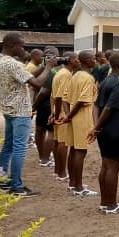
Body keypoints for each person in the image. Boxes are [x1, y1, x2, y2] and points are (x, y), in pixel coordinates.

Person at [0, 32, 57, 196]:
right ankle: (17, 185)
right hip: (20, 111)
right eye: (21, 45)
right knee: (19, 148)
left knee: (8, 146)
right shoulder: (13, 64)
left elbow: (29, 77)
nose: (24, 49)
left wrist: (44, 65)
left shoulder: (1, 62)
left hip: (9, 111)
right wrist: (49, 67)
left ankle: (2, 180)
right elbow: (36, 83)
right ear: (11, 45)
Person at [89, 52, 119, 214]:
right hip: (114, 130)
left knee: (106, 165)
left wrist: (97, 126)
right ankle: (112, 205)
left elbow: (96, 106)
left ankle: (104, 202)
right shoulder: (117, 84)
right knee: (113, 166)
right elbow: (108, 108)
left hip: (105, 130)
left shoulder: (106, 81)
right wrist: (96, 127)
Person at [61, 50, 98, 197]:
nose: (95, 61)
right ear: (88, 61)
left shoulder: (75, 76)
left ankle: (72, 183)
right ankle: (79, 187)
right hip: (82, 118)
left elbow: (65, 97)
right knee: (80, 152)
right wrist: (69, 115)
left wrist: (68, 115)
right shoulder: (88, 78)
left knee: (73, 150)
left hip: (73, 118)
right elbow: (83, 101)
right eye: (93, 59)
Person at [51, 52, 79, 183]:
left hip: (58, 111)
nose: (79, 61)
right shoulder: (66, 75)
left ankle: (58, 170)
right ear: (71, 60)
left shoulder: (59, 72)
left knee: (57, 142)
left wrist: (53, 112)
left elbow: (54, 95)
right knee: (63, 143)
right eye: (77, 59)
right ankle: (62, 173)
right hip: (62, 112)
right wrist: (59, 115)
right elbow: (60, 97)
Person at [32, 46, 58, 167]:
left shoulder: (41, 70)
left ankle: (42, 156)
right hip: (48, 104)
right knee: (50, 132)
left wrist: (34, 106)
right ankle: (45, 159)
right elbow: (43, 92)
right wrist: (34, 107)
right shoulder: (52, 72)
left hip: (40, 104)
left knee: (39, 130)